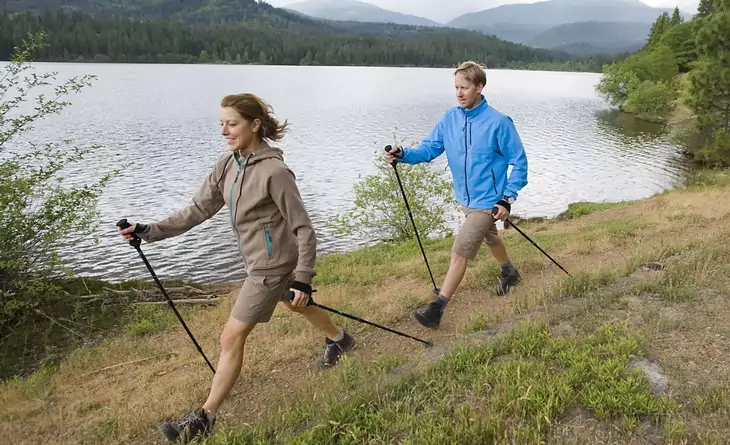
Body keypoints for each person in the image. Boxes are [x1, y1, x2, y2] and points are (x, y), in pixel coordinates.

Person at [118, 93, 355, 443]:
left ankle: (204, 417)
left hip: (270, 266)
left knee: (231, 337)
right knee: (294, 303)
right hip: (262, 259)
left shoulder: (275, 172)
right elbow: (197, 210)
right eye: (222, 124)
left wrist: (303, 279)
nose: (225, 131)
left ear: (254, 125)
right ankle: (341, 339)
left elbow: (304, 228)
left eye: (232, 124)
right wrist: (149, 230)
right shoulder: (229, 164)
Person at [385, 60, 528, 330]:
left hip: (489, 201)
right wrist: (403, 155)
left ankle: (437, 309)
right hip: (465, 198)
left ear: (479, 87)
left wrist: (506, 198)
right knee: (490, 236)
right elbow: (428, 149)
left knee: (460, 251)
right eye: (456, 88)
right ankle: (509, 272)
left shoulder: (498, 123)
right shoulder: (450, 118)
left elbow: (519, 162)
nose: (459, 93)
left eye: (464, 88)